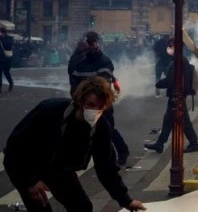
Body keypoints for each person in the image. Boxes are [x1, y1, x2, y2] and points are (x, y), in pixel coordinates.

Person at [3, 76, 146, 212]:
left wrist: (126, 200)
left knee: (82, 207)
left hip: (60, 169)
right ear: (80, 100)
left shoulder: (101, 127)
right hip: (26, 164)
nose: (94, 110)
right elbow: (14, 147)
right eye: (90, 104)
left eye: (100, 107)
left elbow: (106, 167)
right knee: (41, 207)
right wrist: (29, 180)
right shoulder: (50, 110)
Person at [69, 31, 130, 166]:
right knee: (85, 130)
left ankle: (122, 151)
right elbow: (74, 84)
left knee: (108, 130)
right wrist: (77, 99)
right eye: (88, 44)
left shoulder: (105, 61)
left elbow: (103, 86)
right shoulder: (80, 63)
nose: (90, 47)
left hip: (102, 103)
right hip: (85, 103)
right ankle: (85, 158)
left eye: (92, 43)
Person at [144, 38, 198, 153]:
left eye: (171, 45)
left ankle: (194, 144)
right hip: (177, 95)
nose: (168, 48)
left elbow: (172, 80)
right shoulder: (179, 60)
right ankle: (160, 144)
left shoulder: (178, 61)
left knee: (183, 121)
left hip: (177, 95)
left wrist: (159, 84)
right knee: (168, 120)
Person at [0, 26, 14, 93]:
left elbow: (8, 46)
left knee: (6, 73)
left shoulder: (9, 38)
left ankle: (11, 83)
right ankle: (0, 87)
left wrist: (1, 39)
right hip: (0, 59)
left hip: (7, 58)